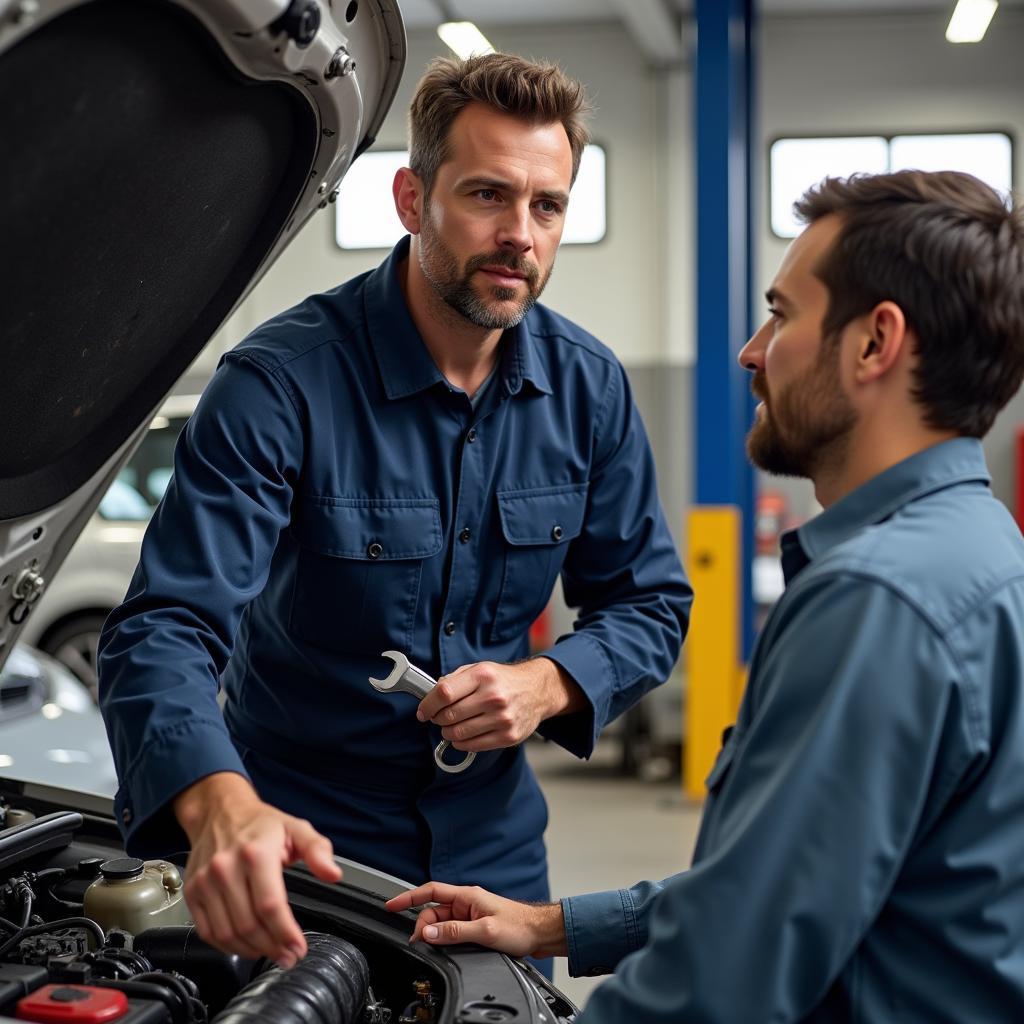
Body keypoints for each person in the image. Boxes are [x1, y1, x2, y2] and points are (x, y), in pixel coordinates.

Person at [97, 53, 691, 974]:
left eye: (548, 206)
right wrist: (220, 805)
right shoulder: (279, 384)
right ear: (412, 200)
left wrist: (548, 683)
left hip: (494, 854)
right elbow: (164, 627)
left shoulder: (591, 391)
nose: (520, 237)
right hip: (300, 847)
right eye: (488, 196)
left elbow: (651, 602)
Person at [387, 170, 1024, 1021]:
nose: (753, 351)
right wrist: (552, 927)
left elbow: (724, 972)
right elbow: (787, 874)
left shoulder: (878, 603)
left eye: (784, 314)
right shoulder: (982, 552)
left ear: (875, 344)